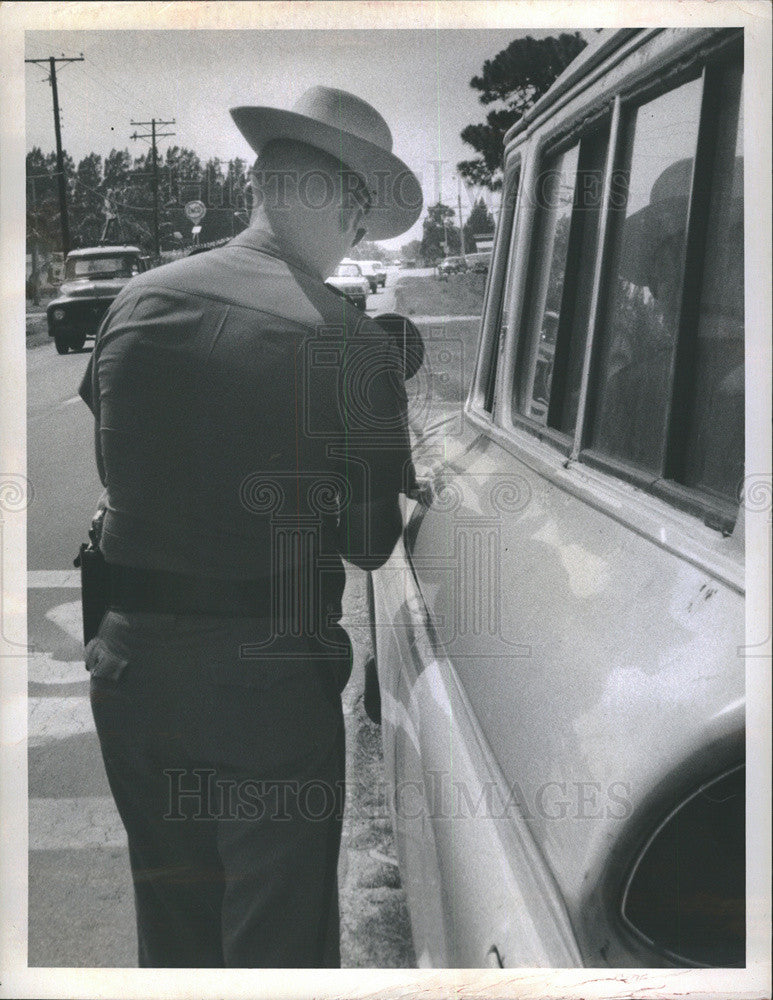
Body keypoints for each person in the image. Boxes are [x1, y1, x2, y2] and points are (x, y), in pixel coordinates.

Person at [78, 85, 422, 968]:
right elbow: (368, 542)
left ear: (260, 186)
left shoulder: (136, 302)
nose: (357, 236)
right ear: (340, 203)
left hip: (130, 668)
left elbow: (123, 470)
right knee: (276, 952)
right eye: (360, 216)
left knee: (176, 931)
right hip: (264, 684)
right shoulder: (348, 344)